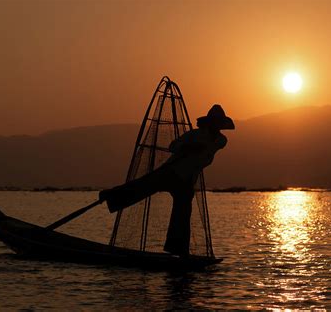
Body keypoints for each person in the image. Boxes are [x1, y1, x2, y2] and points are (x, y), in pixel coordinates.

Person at [99, 104, 235, 256]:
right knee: (144, 185)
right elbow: (173, 146)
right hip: (171, 171)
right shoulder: (194, 135)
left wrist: (197, 147)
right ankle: (109, 195)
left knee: (183, 212)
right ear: (210, 123)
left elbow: (209, 148)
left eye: (218, 123)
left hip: (187, 179)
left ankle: (177, 248)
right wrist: (186, 146)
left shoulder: (221, 140)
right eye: (214, 122)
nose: (216, 126)